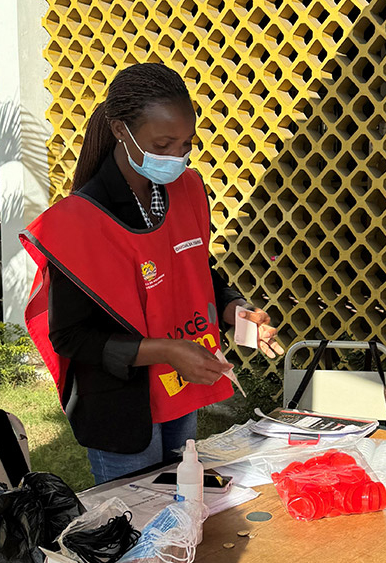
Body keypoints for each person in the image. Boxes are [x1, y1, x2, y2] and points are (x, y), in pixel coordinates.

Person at [21, 63, 284, 484]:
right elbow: (71, 337)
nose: (176, 157)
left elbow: (196, 271)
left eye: (185, 145)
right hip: (120, 408)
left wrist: (235, 309)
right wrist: (165, 350)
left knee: (185, 504)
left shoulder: (187, 191)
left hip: (180, 394)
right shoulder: (75, 223)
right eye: (163, 144)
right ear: (121, 130)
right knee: (137, 530)